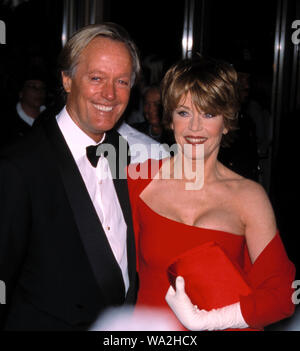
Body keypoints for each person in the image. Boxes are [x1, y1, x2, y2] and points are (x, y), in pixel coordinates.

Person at [127, 56, 296, 331]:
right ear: (169, 118)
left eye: (208, 114)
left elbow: (281, 294)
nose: (194, 127)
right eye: (184, 113)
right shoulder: (139, 180)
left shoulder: (249, 197)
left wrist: (208, 321)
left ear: (226, 122)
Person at [0, 22, 140, 330]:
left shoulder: (121, 150)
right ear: (66, 79)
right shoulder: (20, 165)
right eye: (96, 78)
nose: (110, 94)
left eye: (122, 82)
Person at [1, 72, 47, 146]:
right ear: (21, 92)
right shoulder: (7, 121)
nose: (39, 91)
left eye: (42, 88)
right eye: (33, 87)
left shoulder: (51, 118)